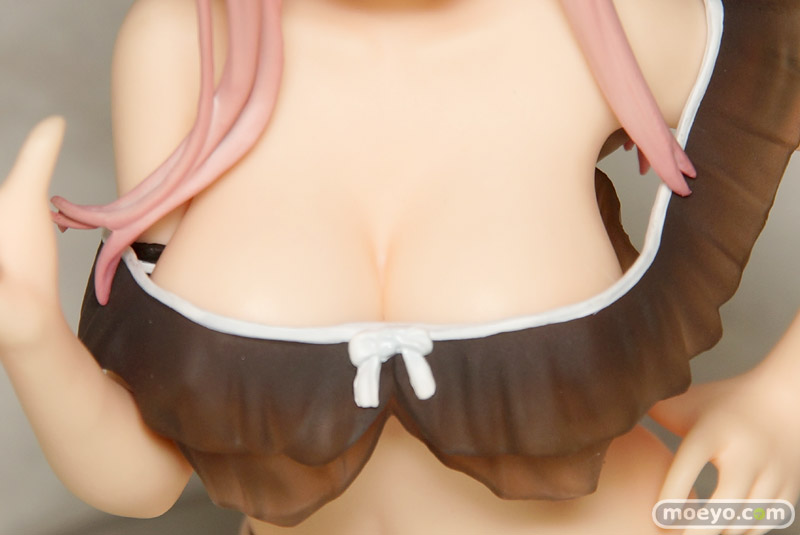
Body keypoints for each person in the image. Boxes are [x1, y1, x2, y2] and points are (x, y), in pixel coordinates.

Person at [1, 0, 800, 534]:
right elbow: (149, 476)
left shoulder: (621, 24)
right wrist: (31, 336)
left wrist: (784, 404)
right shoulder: (183, 42)